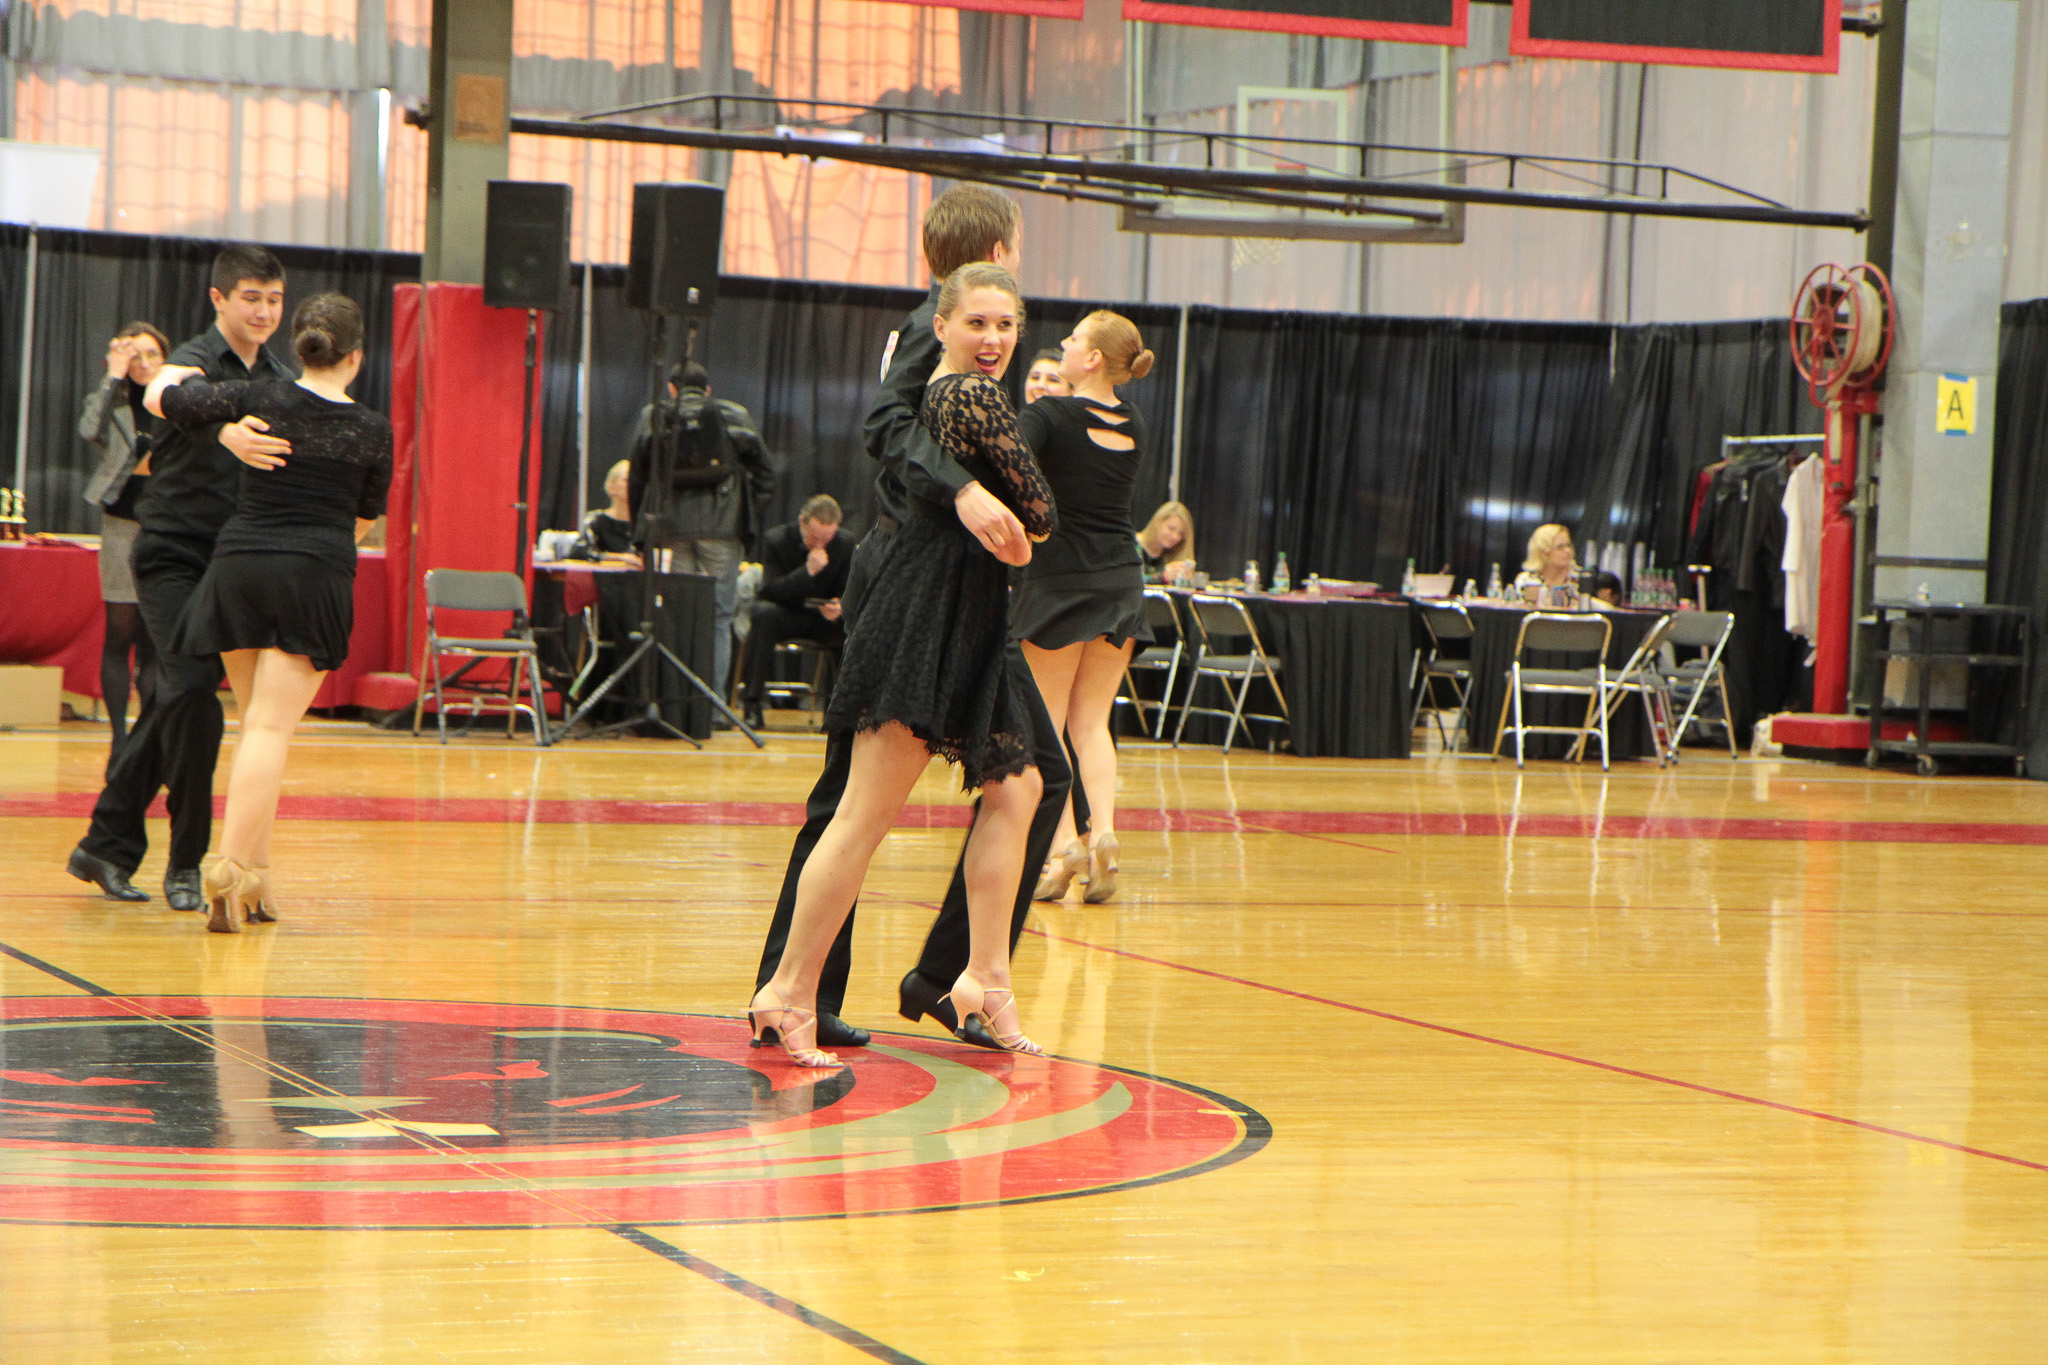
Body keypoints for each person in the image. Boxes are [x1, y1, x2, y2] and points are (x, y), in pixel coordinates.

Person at [750, 182, 1075, 1054]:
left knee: (1027, 781)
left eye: (1004, 326)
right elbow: (888, 427)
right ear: (996, 253)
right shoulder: (947, 345)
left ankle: (968, 978)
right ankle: (795, 988)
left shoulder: (961, 346)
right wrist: (970, 491)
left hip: (958, 589)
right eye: (982, 323)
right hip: (918, 588)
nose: (994, 335)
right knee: (855, 806)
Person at [147, 293, 392, 933]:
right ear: (356, 357)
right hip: (312, 576)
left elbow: (162, 397)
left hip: (239, 569)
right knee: (269, 731)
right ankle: (227, 871)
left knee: (255, 726)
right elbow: (364, 517)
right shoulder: (372, 429)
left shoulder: (261, 397)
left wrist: (183, 385)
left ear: (300, 347)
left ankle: (256, 876)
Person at [65, 246, 295, 909]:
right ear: (218, 298)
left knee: (180, 699)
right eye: (251, 298)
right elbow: (173, 397)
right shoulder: (189, 362)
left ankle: (106, 842)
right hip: (169, 552)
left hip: (233, 562)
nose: (264, 312)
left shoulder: (280, 377)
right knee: (192, 693)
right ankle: (187, 861)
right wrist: (225, 431)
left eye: (274, 300)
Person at [1014, 311, 1154, 905]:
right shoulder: (1135, 421)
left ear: (1092, 357)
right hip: (1121, 578)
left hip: (1057, 581)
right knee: (1092, 723)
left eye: (1072, 340)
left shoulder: (1049, 415)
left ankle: (1065, 843)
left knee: (1046, 725)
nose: (1064, 347)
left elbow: (1007, 472)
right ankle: (1106, 834)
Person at [625, 361, 775, 701]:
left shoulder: (655, 416)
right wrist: (743, 514)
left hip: (671, 530)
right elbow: (767, 476)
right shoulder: (734, 415)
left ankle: (679, 706)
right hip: (722, 532)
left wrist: (638, 531)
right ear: (708, 390)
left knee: (678, 616)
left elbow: (637, 477)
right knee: (719, 617)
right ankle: (713, 706)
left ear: (671, 389)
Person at [78, 321, 171, 774]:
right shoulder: (113, 401)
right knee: (120, 634)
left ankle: (148, 742)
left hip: (166, 529)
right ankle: (118, 740)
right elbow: (88, 431)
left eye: (152, 354)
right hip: (121, 526)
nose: (144, 363)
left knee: (155, 643)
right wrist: (112, 375)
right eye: (134, 356)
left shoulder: (176, 400)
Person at [740, 494, 855, 730]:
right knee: (763, 613)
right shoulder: (777, 539)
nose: (820, 544)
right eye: (815, 537)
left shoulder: (845, 543)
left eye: (827, 539)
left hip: (822, 619)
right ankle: (752, 704)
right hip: (786, 612)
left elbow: (848, 588)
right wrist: (807, 572)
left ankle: (839, 712)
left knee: (851, 625)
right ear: (802, 521)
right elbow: (769, 590)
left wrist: (839, 604)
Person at [576, 460, 642, 563]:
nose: (634, 485)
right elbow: (579, 552)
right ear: (611, 487)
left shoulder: (645, 523)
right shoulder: (596, 521)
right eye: (627, 480)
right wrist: (617, 558)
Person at [1514, 523, 1579, 607]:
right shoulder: (1526, 580)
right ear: (1543, 552)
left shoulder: (1580, 578)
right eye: (1560, 547)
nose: (1567, 550)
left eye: (1568, 545)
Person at [1137, 500, 1196, 585]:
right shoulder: (1131, 545)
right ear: (1157, 522)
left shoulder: (1173, 554)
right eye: (1171, 528)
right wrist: (1164, 576)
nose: (1175, 537)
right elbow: (1127, 581)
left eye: (1181, 534)